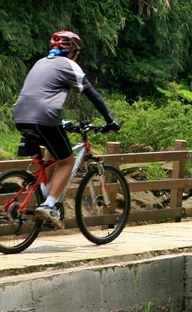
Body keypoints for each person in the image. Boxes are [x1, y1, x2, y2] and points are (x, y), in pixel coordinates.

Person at [12, 31, 119, 228]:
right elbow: (92, 94)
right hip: (44, 117)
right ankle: (49, 205)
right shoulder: (69, 65)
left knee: (52, 150)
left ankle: (42, 191)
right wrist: (110, 121)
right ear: (72, 51)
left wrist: (61, 123)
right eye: (77, 52)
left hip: (20, 116)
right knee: (67, 161)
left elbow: (40, 94)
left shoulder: (40, 62)